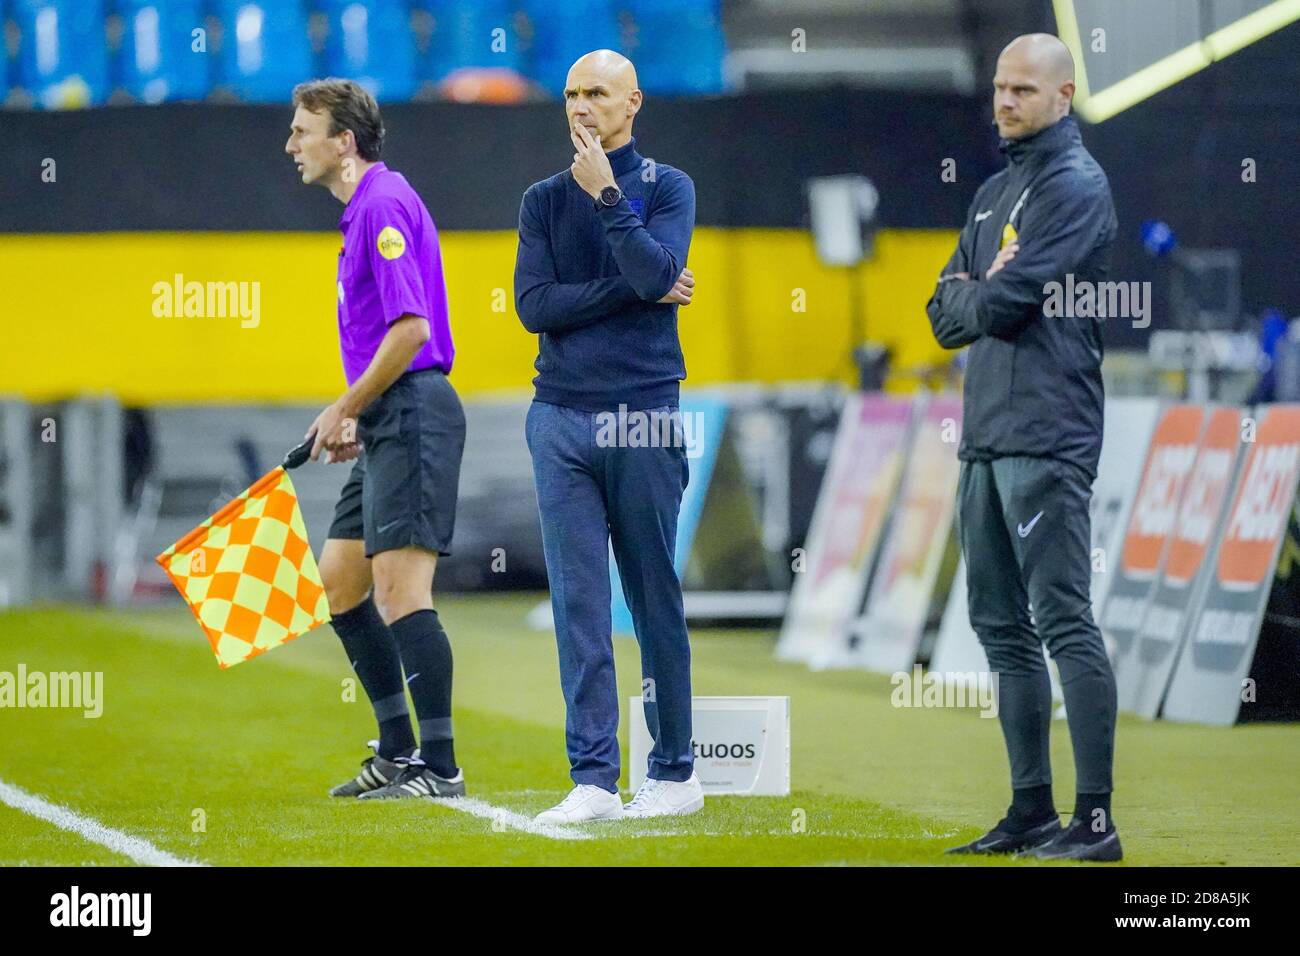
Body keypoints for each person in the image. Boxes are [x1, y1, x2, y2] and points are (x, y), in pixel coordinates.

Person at [925, 34, 1122, 861]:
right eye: (1000, 89)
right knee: (1002, 632)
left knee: (1063, 622)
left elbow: (1001, 307)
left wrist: (982, 290)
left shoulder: (1075, 186)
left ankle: (1097, 824)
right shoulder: (994, 191)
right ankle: (1031, 811)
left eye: (1023, 91)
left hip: (1047, 432)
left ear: (1063, 96)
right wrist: (979, 289)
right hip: (985, 437)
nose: (1005, 102)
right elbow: (941, 315)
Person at [514, 50, 702, 824]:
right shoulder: (541, 200)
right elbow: (534, 306)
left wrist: (611, 201)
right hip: (558, 414)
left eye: (597, 92)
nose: (580, 105)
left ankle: (676, 773)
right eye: (570, 93)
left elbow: (654, 266)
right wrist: (638, 286)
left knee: (652, 592)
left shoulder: (669, 187)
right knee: (579, 601)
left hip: (644, 410)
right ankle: (593, 778)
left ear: (634, 102)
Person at [284, 78, 467, 800]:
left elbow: (413, 330)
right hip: (391, 415)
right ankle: (395, 750)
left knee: (400, 592)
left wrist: (344, 407)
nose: (291, 144)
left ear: (344, 142)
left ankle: (442, 765)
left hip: (416, 411)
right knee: (340, 580)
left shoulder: (383, 206)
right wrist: (359, 416)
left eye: (303, 131)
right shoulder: (363, 209)